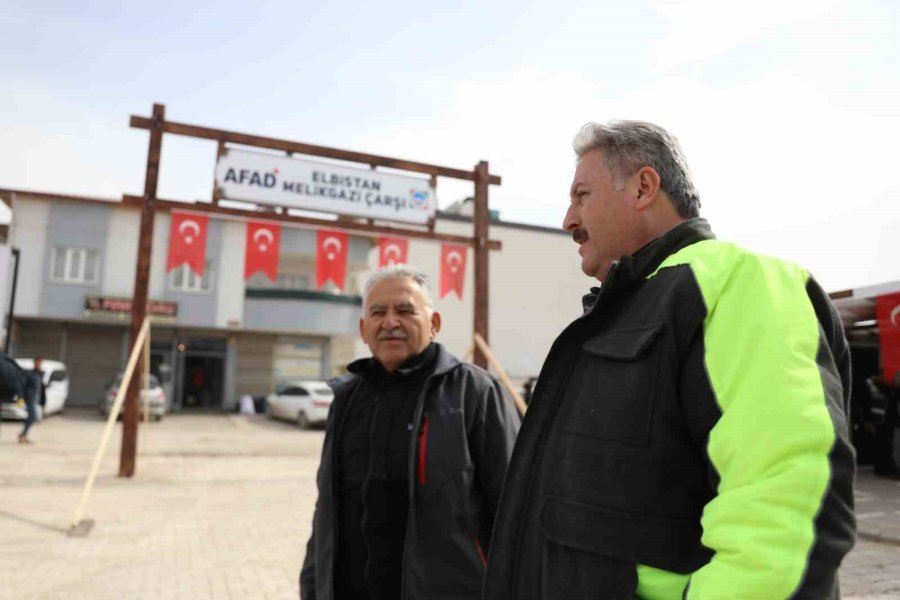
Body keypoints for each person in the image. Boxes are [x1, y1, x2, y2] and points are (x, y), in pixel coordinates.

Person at [482, 121, 856, 600]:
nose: (568, 220)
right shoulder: (621, 313)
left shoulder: (738, 282)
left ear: (643, 187)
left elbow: (784, 511)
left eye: (581, 195)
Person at [300, 265, 520, 600]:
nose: (390, 322)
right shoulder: (347, 400)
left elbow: (514, 509)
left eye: (405, 310)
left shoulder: (474, 392)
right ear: (363, 328)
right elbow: (327, 510)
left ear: (434, 324)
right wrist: (313, 586)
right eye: (378, 313)